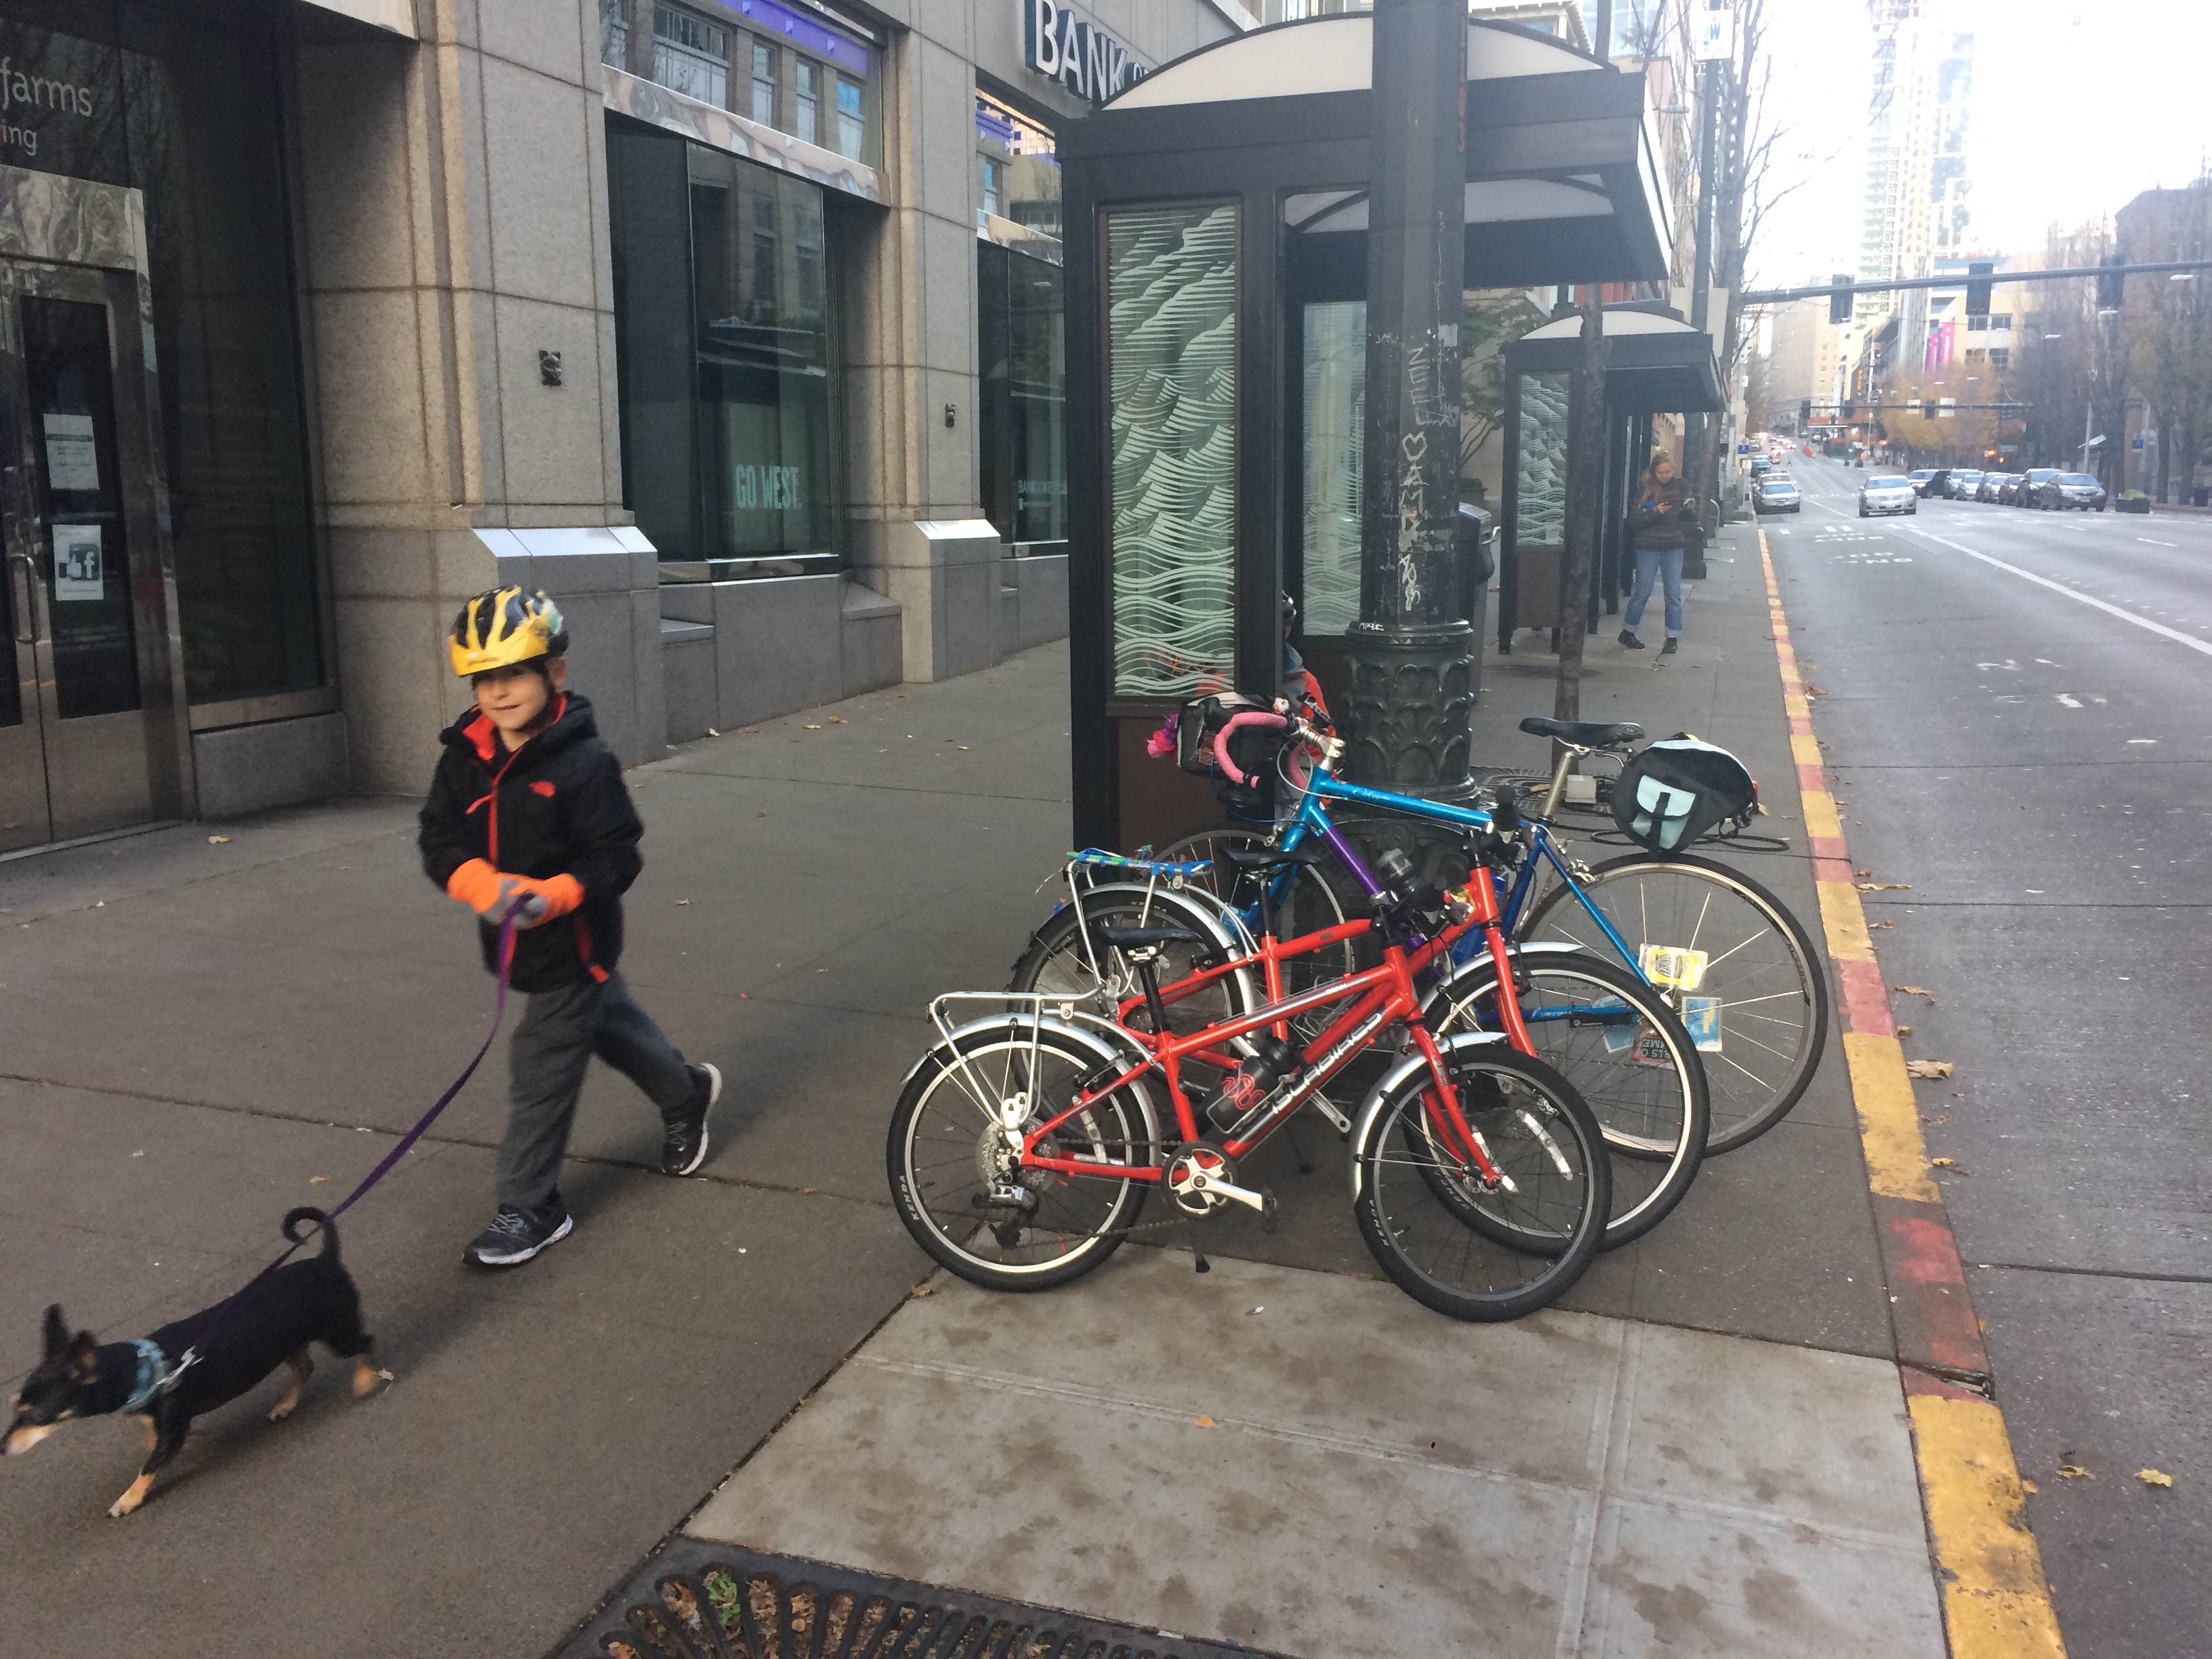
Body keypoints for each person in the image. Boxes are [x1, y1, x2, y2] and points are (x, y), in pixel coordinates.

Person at [419, 588, 720, 1268]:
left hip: (574, 940)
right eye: (484, 680)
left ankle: (531, 1206)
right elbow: (439, 835)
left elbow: (616, 853)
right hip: (514, 943)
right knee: (607, 1022)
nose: (499, 693)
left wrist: (557, 895)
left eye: (514, 674)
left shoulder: (583, 763)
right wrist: (476, 882)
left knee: (541, 1065)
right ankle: (686, 1090)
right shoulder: (464, 757)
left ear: (554, 672)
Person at [1621, 452, 1694, 654]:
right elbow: (1635, 520)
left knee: (1674, 594)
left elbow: (1690, 513)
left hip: (1673, 546)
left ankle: (1672, 637)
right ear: (1654, 472)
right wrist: (1654, 512)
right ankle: (1628, 631)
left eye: (1668, 471)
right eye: (1661, 472)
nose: (1665, 476)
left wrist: (1689, 508)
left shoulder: (1681, 486)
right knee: (1643, 592)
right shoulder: (1646, 489)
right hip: (1649, 547)